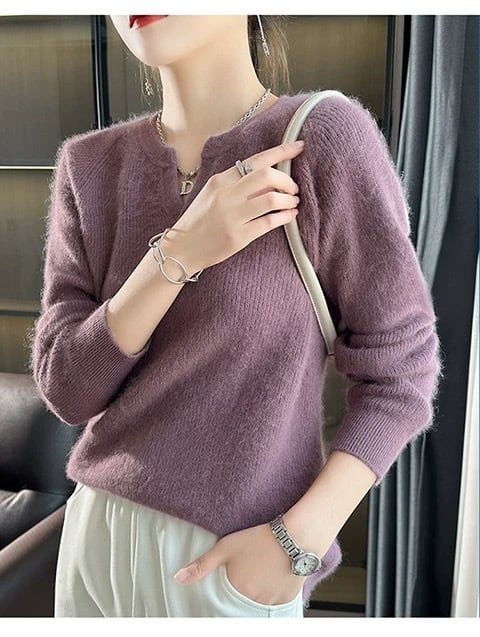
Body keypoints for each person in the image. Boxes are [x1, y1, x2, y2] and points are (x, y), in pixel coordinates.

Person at [29, 15, 442, 618]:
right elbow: (67, 389)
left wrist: (298, 541)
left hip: (228, 560)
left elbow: (401, 374)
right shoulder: (88, 166)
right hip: (94, 537)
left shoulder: (322, 139)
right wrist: (177, 254)